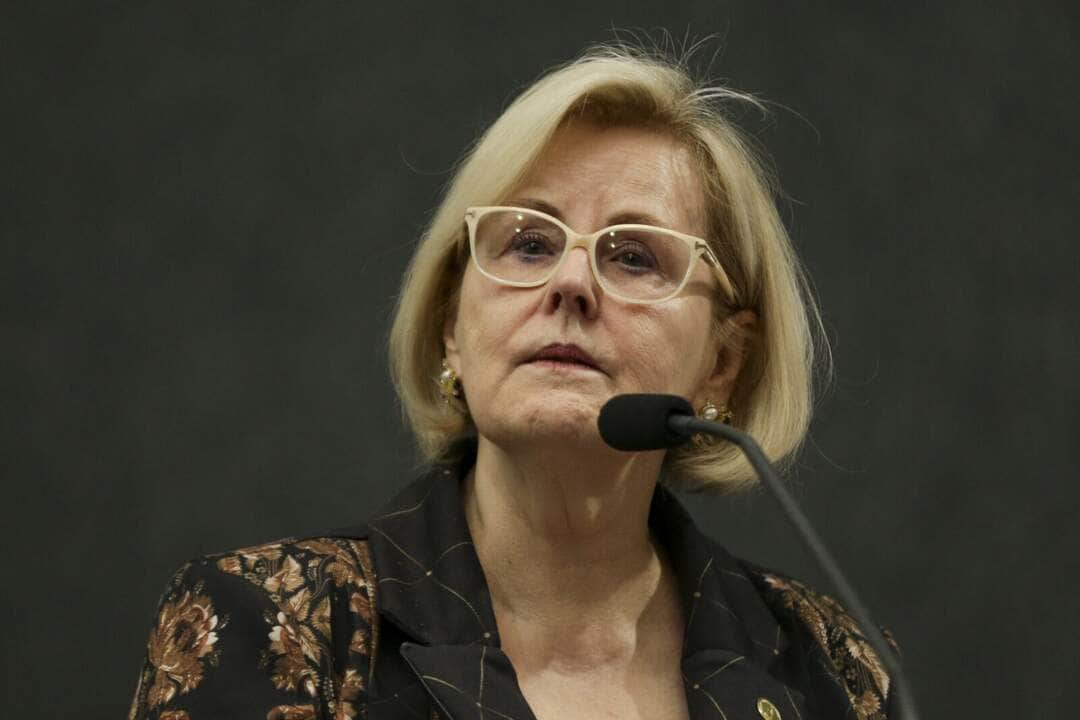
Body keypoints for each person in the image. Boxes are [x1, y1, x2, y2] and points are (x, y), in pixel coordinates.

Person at [128, 44, 896, 720]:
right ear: (452, 330)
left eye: (634, 256)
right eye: (528, 243)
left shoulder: (830, 668)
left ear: (722, 362)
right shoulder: (276, 626)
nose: (571, 283)